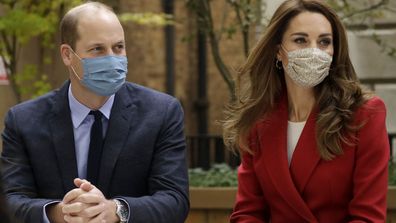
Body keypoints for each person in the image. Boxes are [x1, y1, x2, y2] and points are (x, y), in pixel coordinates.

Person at [0, 2, 189, 223]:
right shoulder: (23, 121)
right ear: (67, 55)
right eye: (97, 49)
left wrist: (116, 211)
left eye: (118, 47)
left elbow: (175, 200)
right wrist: (60, 213)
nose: (112, 59)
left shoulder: (161, 113)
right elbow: (10, 201)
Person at [223, 0, 390, 222]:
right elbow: (247, 212)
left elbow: (368, 216)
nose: (314, 51)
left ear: (334, 50)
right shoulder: (259, 122)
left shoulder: (364, 114)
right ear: (278, 52)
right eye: (301, 40)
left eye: (324, 42)